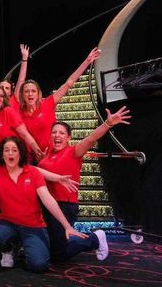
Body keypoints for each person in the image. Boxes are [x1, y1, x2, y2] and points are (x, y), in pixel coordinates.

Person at [0, 137, 86, 273]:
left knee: (38, 265)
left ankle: (27, 244)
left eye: (14, 150)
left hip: (33, 226)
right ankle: (9, 249)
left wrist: (66, 226)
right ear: (2, 154)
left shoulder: (33, 172)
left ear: (20, 153)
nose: (10, 153)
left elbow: (47, 199)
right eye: (6, 150)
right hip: (8, 223)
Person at [38, 106, 131, 262]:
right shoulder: (45, 157)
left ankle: (95, 238)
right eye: (54, 132)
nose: (57, 135)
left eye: (61, 133)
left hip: (64, 205)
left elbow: (91, 138)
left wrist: (108, 123)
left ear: (68, 137)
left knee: (59, 255)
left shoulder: (73, 152)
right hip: (46, 205)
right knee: (49, 247)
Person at [18, 47, 101, 154]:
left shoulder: (47, 103)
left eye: (33, 91)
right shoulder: (19, 112)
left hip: (53, 154)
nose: (30, 94)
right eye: (26, 91)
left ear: (38, 94)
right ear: (22, 94)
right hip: (30, 158)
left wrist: (87, 62)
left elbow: (68, 83)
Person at [0, 85, 43, 161]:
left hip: (18, 160)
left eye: (1, 96)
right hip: (1, 161)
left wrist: (39, 153)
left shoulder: (8, 112)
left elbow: (25, 134)